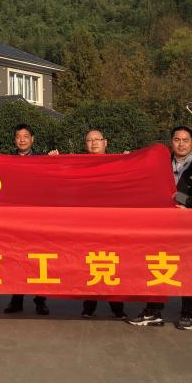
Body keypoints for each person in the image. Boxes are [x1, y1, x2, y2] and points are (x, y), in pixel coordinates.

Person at [129, 125, 192, 329]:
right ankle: (153, 310)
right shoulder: (161, 163)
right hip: (161, 226)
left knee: (189, 269)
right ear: (171, 142)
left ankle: (187, 313)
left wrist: (182, 200)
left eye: (185, 140)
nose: (181, 144)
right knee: (158, 265)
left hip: (189, 226)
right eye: (177, 140)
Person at [79, 128, 127, 321]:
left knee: (112, 263)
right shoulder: (79, 165)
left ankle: (117, 306)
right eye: (89, 140)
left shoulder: (118, 163)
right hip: (87, 223)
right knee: (90, 263)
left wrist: (131, 161)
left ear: (105, 142)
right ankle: (89, 305)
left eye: (97, 139)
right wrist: (54, 160)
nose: (94, 143)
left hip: (111, 223)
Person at [4, 124, 50, 316]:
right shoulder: (6, 161)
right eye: (18, 136)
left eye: (26, 136)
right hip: (15, 219)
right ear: (14, 140)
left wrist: (56, 161)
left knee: (39, 259)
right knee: (16, 259)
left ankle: (41, 300)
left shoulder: (44, 160)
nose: (22, 140)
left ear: (32, 139)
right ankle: (16, 299)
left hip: (38, 219)